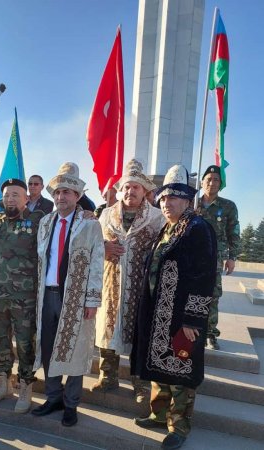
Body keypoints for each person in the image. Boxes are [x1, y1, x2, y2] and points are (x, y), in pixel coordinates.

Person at [131, 165, 217, 450]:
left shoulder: (198, 229)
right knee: (159, 365)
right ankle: (158, 413)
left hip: (182, 318)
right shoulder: (168, 228)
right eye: (165, 198)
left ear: (187, 200)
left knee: (180, 369)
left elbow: (204, 277)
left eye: (175, 198)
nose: (168, 203)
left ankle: (179, 425)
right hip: (160, 313)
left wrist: (193, 319)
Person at [31, 162, 104, 427]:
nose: (61, 197)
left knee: (74, 348)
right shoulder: (45, 222)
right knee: (50, 348)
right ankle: (53, 397)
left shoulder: (89, 225)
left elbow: (97, 262)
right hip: (47, 295)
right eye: (58, 192)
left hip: (74, 296)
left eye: (67, 193)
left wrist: (92, 300)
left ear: (77, 196)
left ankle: (71, 403)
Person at [94, 159, 164, 402]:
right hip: (110, 283)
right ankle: (107, 377)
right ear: (120, 190)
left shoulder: (156, 218)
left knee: (139, 332)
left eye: (136, 187)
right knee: (108, 328)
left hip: (141, 287)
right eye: (126, 187)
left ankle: (141, 384)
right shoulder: (105, 215)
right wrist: (103, 247)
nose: (130, 191)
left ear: (144, 191)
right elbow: (92, 244)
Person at [0, 179, 44, 413]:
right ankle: (3, 383)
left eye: (16, 195)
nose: (10, 199)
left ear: (26, 198)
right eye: (7, 195)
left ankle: (26, 386)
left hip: (25, 297)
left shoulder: (38, 220)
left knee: (26, 343)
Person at [196, 165, 240, 350]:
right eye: (209, 179)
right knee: (189, 293)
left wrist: (232, 258)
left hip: (215, 257)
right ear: (202, 181)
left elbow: (234, 233)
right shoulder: (192, 204)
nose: (212, 182)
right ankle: (190, 330)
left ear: (220, 184)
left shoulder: (228, 206)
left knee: (212, 295)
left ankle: (210, 334)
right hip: (192, 257)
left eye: (216, 180)